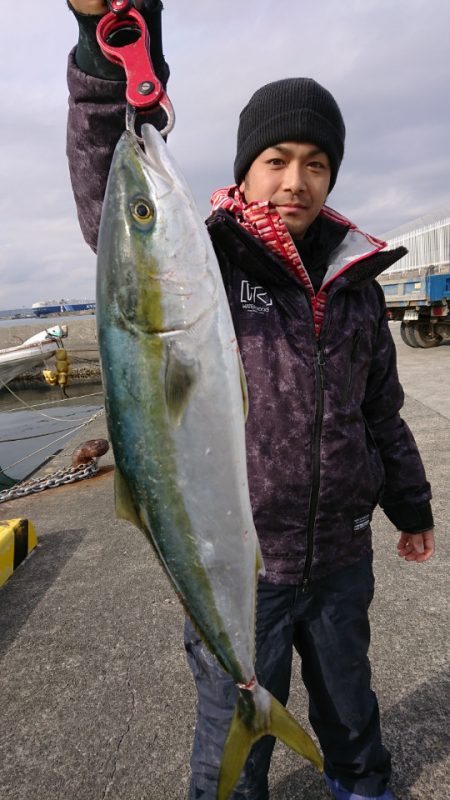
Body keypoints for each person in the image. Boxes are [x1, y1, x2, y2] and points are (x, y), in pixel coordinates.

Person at [65, 3, 436, 799]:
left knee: (349, 705)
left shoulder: (358, 290)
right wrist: (108, 66)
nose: (294, 179)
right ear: (245, 169)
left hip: (340, 555)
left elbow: (382, 413)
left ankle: (362, 785)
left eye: (315, 163)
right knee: (228, 719)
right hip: (241, 568)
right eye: (275, 159)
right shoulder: (212, 268)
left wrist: (413, 508)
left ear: (333, 173)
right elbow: (114, 204)